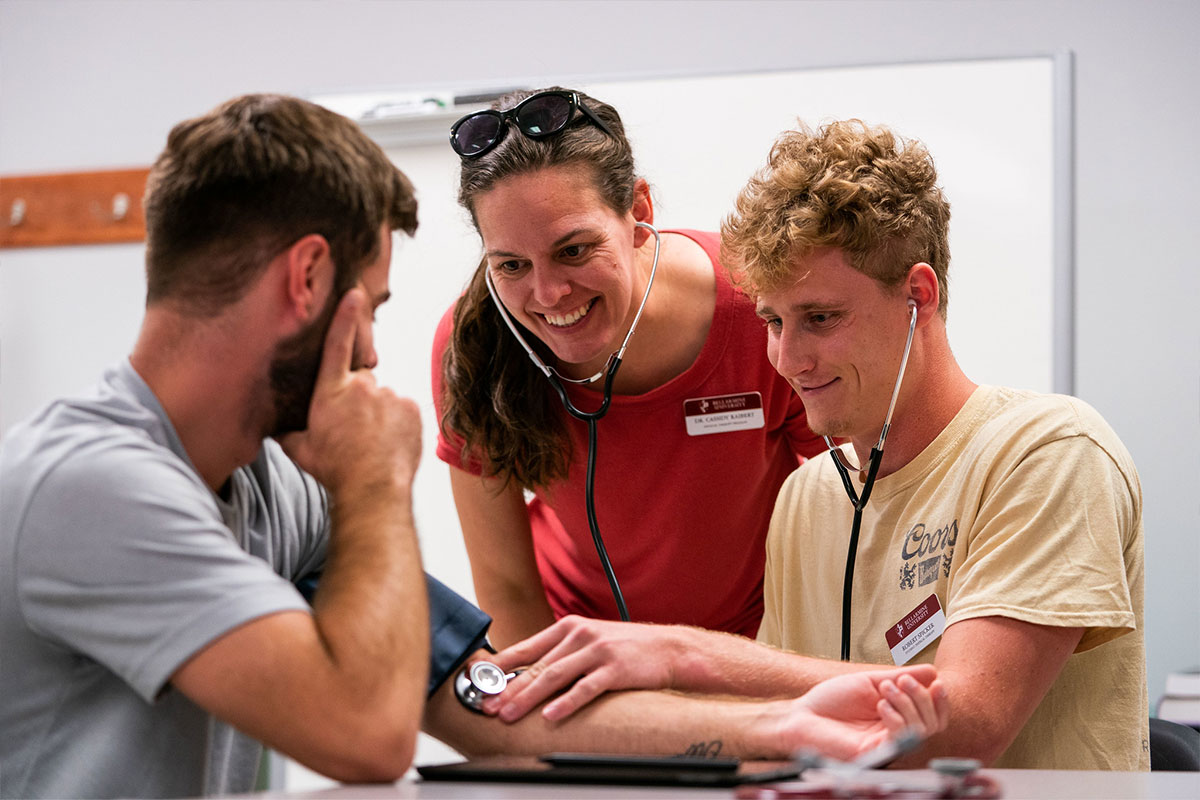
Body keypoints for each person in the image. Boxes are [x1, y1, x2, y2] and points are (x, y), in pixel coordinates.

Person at [0, 96, 949, 799]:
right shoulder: (91, 488)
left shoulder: (274, 494)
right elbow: (367, 738)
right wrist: (377, 481)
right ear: (307, 281)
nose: (372, 356)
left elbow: (493, 703)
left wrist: (782, 726)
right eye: (370, 310)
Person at [477, 120, 1148, 771]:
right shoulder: (809, 494)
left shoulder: (1048, 453)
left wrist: (683, 656)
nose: (787, 359)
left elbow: (962, 726)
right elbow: (785, 734)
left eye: (820, 318)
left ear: (918, 295)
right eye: (772, 321)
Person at [434, 87, 825, 647]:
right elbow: (508, 589)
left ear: (639, 212)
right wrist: (558, 693)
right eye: (512, 265)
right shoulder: (471, 345)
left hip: (757, 641)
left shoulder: (758, 309)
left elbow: (858, 507)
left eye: (573, 251)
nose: (548, 294)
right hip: (575, 645)